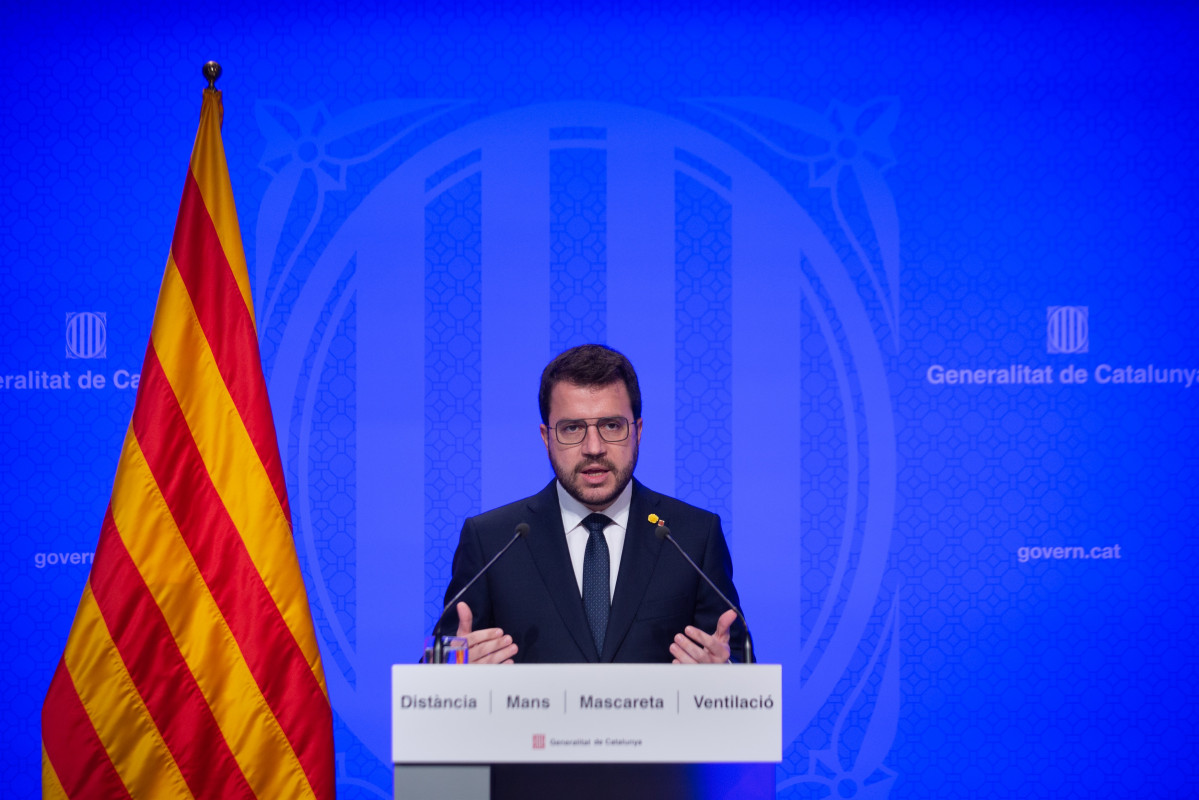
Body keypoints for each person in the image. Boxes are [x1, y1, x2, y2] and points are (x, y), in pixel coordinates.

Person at [442, 343, 748, 664]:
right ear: (546, 438)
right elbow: (432, 667)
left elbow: (743, 664)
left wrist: (724, 671)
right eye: (572, 428)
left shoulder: (692, 536)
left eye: (611, 426)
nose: (593, 447)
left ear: (638, 432)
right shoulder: (492, 540)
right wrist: (456, 668)